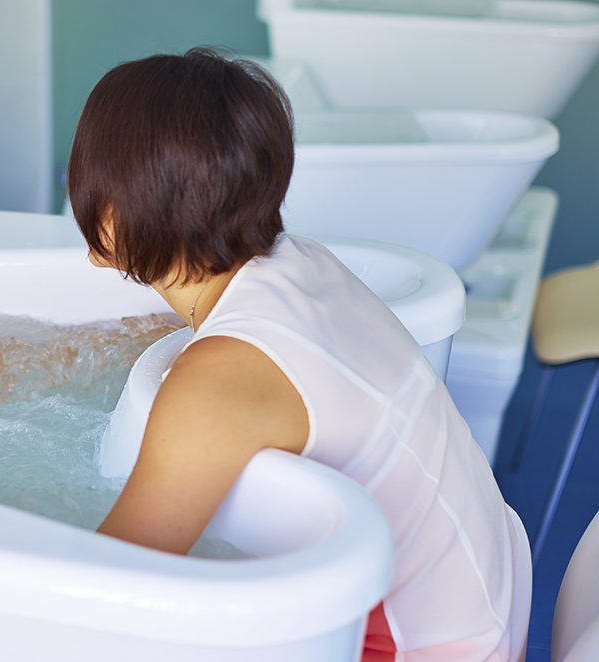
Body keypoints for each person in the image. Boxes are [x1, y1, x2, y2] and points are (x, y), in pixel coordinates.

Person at [69, 48, 531, 662]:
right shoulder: (303, 263)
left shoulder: (216, 380)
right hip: (491, 594)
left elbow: (105, 592)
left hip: (436, 649)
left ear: (117, 206)